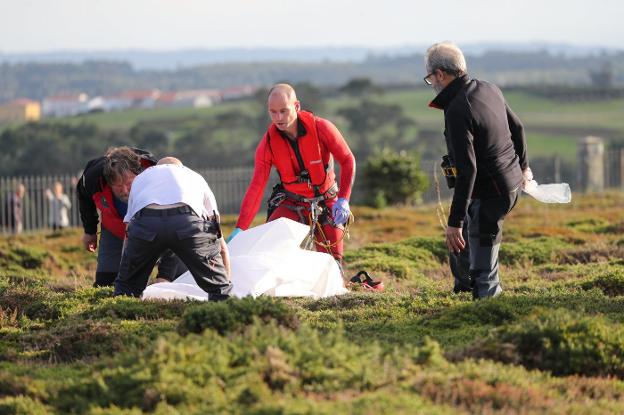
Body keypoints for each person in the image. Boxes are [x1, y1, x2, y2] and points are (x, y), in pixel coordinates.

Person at [424, 42, 532, 299]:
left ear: (440, 74)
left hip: (491, 194)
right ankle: (464, 288)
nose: (432, 84)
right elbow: (518, 128)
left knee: (485, 273)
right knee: (466, 245)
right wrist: (524, 168)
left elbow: (468, 170)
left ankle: (489, 320)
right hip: (511, 184)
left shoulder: (458, 109)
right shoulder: (488, 88)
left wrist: (454, 222)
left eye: (430, 78)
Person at [226, 83, 356, 265]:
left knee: (334, 264)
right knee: (269, 252)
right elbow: (256, 186)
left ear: (296, 106)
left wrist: (344, 199)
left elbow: (347, 160)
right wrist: (241, 228)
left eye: (283, 111)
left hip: (327, 201)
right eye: (273, 112)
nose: (278, 118)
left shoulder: (322, 128)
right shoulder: (267, 144)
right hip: (292, 202)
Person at [114, 157, 232, 299]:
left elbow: (129, 231)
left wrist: (127, 270)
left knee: (127, 289)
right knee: (219, 290)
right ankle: (223, 308)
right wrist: (224, 283)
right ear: (180, 166)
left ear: (156, 167)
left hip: (147, 222)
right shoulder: (194, 176)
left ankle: (121, 313)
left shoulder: (141, 178)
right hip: (187, 222)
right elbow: (217, 234)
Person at [77, 146, 186, 287]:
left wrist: (165, 276)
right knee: (106, 284)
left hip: (156, 230)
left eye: (129, 183)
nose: (125, 191)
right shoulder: (93, 177)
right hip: (114, 230)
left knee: (180, 282)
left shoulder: (158, 178)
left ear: (140, 175)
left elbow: (176, 231)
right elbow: (83, 195)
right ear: (109, 182)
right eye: (117, 186)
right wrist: (90, 231)